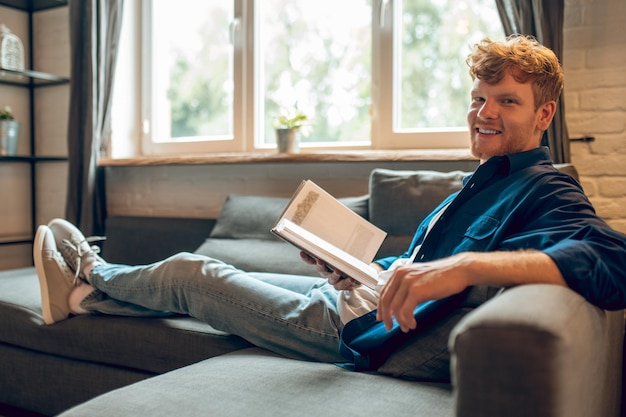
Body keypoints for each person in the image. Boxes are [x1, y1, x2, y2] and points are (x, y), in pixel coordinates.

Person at [34, 35, 626, 365]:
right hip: (353, 294)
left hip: (347, 327)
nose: (484, 112)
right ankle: (87, 300)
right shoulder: (486, 179)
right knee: (231, 274)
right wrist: (353, 268)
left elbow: (612, 260)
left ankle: (91, 269)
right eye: (478, 98)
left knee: (196, 273)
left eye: (506, 101)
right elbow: (413, 271)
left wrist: (462, 267)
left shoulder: (547, 188)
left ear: (545, 114)